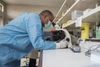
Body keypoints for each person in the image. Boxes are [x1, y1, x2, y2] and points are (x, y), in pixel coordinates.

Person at [0, 10, 68, 67]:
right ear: (45, 17)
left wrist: (52, 42)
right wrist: (59, 45)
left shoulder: (36, 21)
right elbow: (38, 44)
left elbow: (40, 39)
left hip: (12, 51)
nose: (50, 23)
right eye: (50, 20)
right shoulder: (34, 19)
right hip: (4, 47)